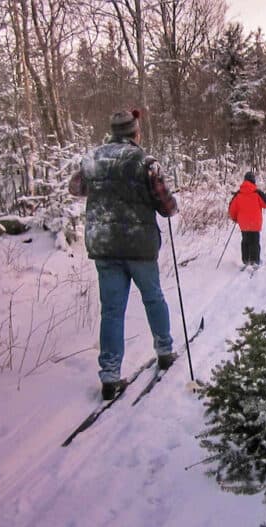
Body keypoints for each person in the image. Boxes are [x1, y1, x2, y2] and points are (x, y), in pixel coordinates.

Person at [69, 108, 178, 400]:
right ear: (135, 133)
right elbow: (167, 206)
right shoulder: (146, 162)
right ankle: (165, 351)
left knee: (112, 310)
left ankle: (109, 375)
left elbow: (76, 188)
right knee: (153, 297)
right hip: (139, 246)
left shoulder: (91, 160)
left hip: (104, 245)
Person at [228, 171, 266, 267]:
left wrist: (235, 218)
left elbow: (231, 208)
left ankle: (245, 259)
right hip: (255, 223)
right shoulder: (257, 192)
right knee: (254, 242)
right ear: (253, 181)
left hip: (243, 224)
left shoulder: (238, 194)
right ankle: (255, 260)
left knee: (245, 240)